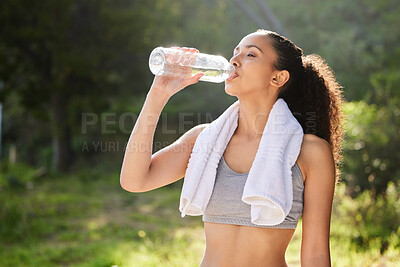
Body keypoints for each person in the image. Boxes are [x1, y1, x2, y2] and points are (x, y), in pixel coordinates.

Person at [120, 29, 345, 267]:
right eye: (235, 52)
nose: (234, 60)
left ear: (278, 78)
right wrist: (158, 94)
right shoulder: (205, 141)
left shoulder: (310, 152)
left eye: (250, 55)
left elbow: (316, 254)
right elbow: (134, 181)